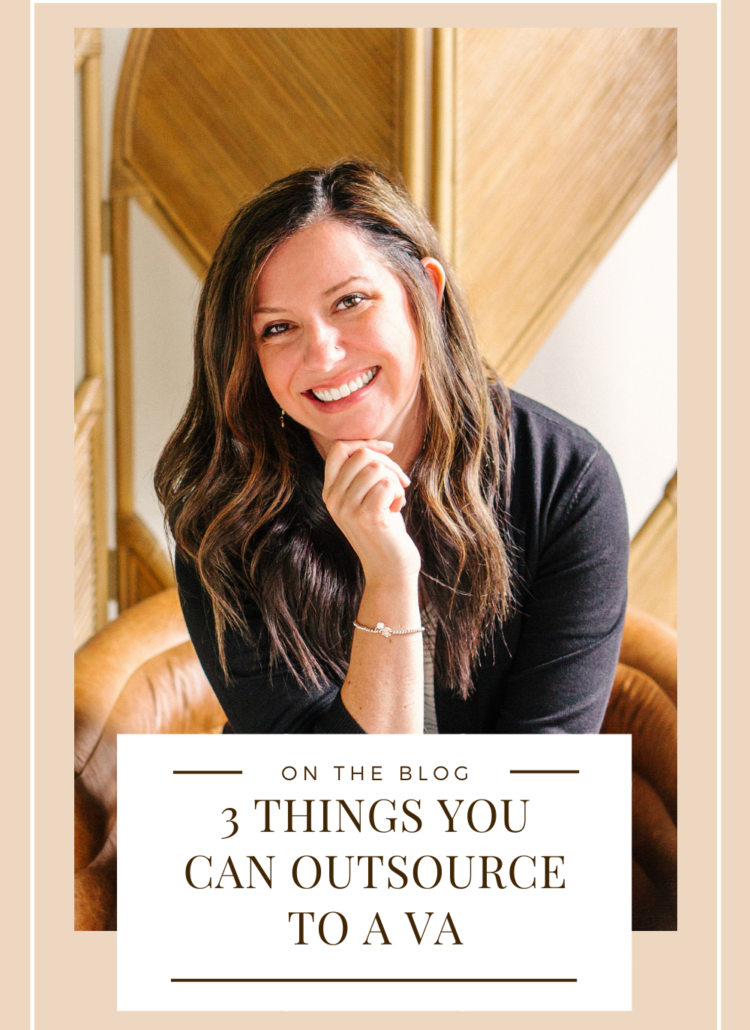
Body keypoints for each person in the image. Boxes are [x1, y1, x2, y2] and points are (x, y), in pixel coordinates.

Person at [155, 160, 629, 735]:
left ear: (424, 293)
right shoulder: (226, 515)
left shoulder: (564, 480)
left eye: (350, 301)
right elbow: (329, 800)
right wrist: (389, 579)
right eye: (278, 328)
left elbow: (540, 779)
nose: (324, 356)